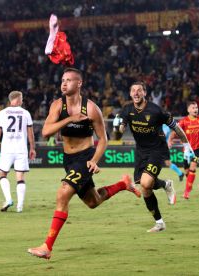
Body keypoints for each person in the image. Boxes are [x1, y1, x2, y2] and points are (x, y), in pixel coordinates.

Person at [27, 68, 140, 260]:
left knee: (63, 192)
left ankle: (47, 247)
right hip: (68, 160)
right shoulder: (57, 105)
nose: (64, 83)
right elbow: (45, 132)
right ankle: (123, 184)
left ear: (79, 84)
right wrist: (70, 119)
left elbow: (103, 139)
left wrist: (94, 160)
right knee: (93, 201)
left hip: (85, 157)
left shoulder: (91, 109)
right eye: (62, 80)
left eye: (69, 80)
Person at [115, 81, 191, 233]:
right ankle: (160, 221)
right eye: (133, 90)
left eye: (139, 90)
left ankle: (164, 186)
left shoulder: (156, 111)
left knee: (145, 182)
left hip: (157, 150)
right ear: (130, 94)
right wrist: (117, 127)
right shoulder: (127, 110)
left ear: (144, 93)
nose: (136, 93)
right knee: (145, 188)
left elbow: (176, 127)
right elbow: (119, 133)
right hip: (141, 151)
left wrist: (187, 145)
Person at [0, 91, 36, 213]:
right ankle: (20, 206)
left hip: (7, 150)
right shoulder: (26, 113)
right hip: (21, 149)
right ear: (16, 99)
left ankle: (9, 199)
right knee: (20, 177)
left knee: (2, 174)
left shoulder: (2, 113)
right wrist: (32, 148)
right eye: (21, 98)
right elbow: (30, 133)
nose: (22, 100)